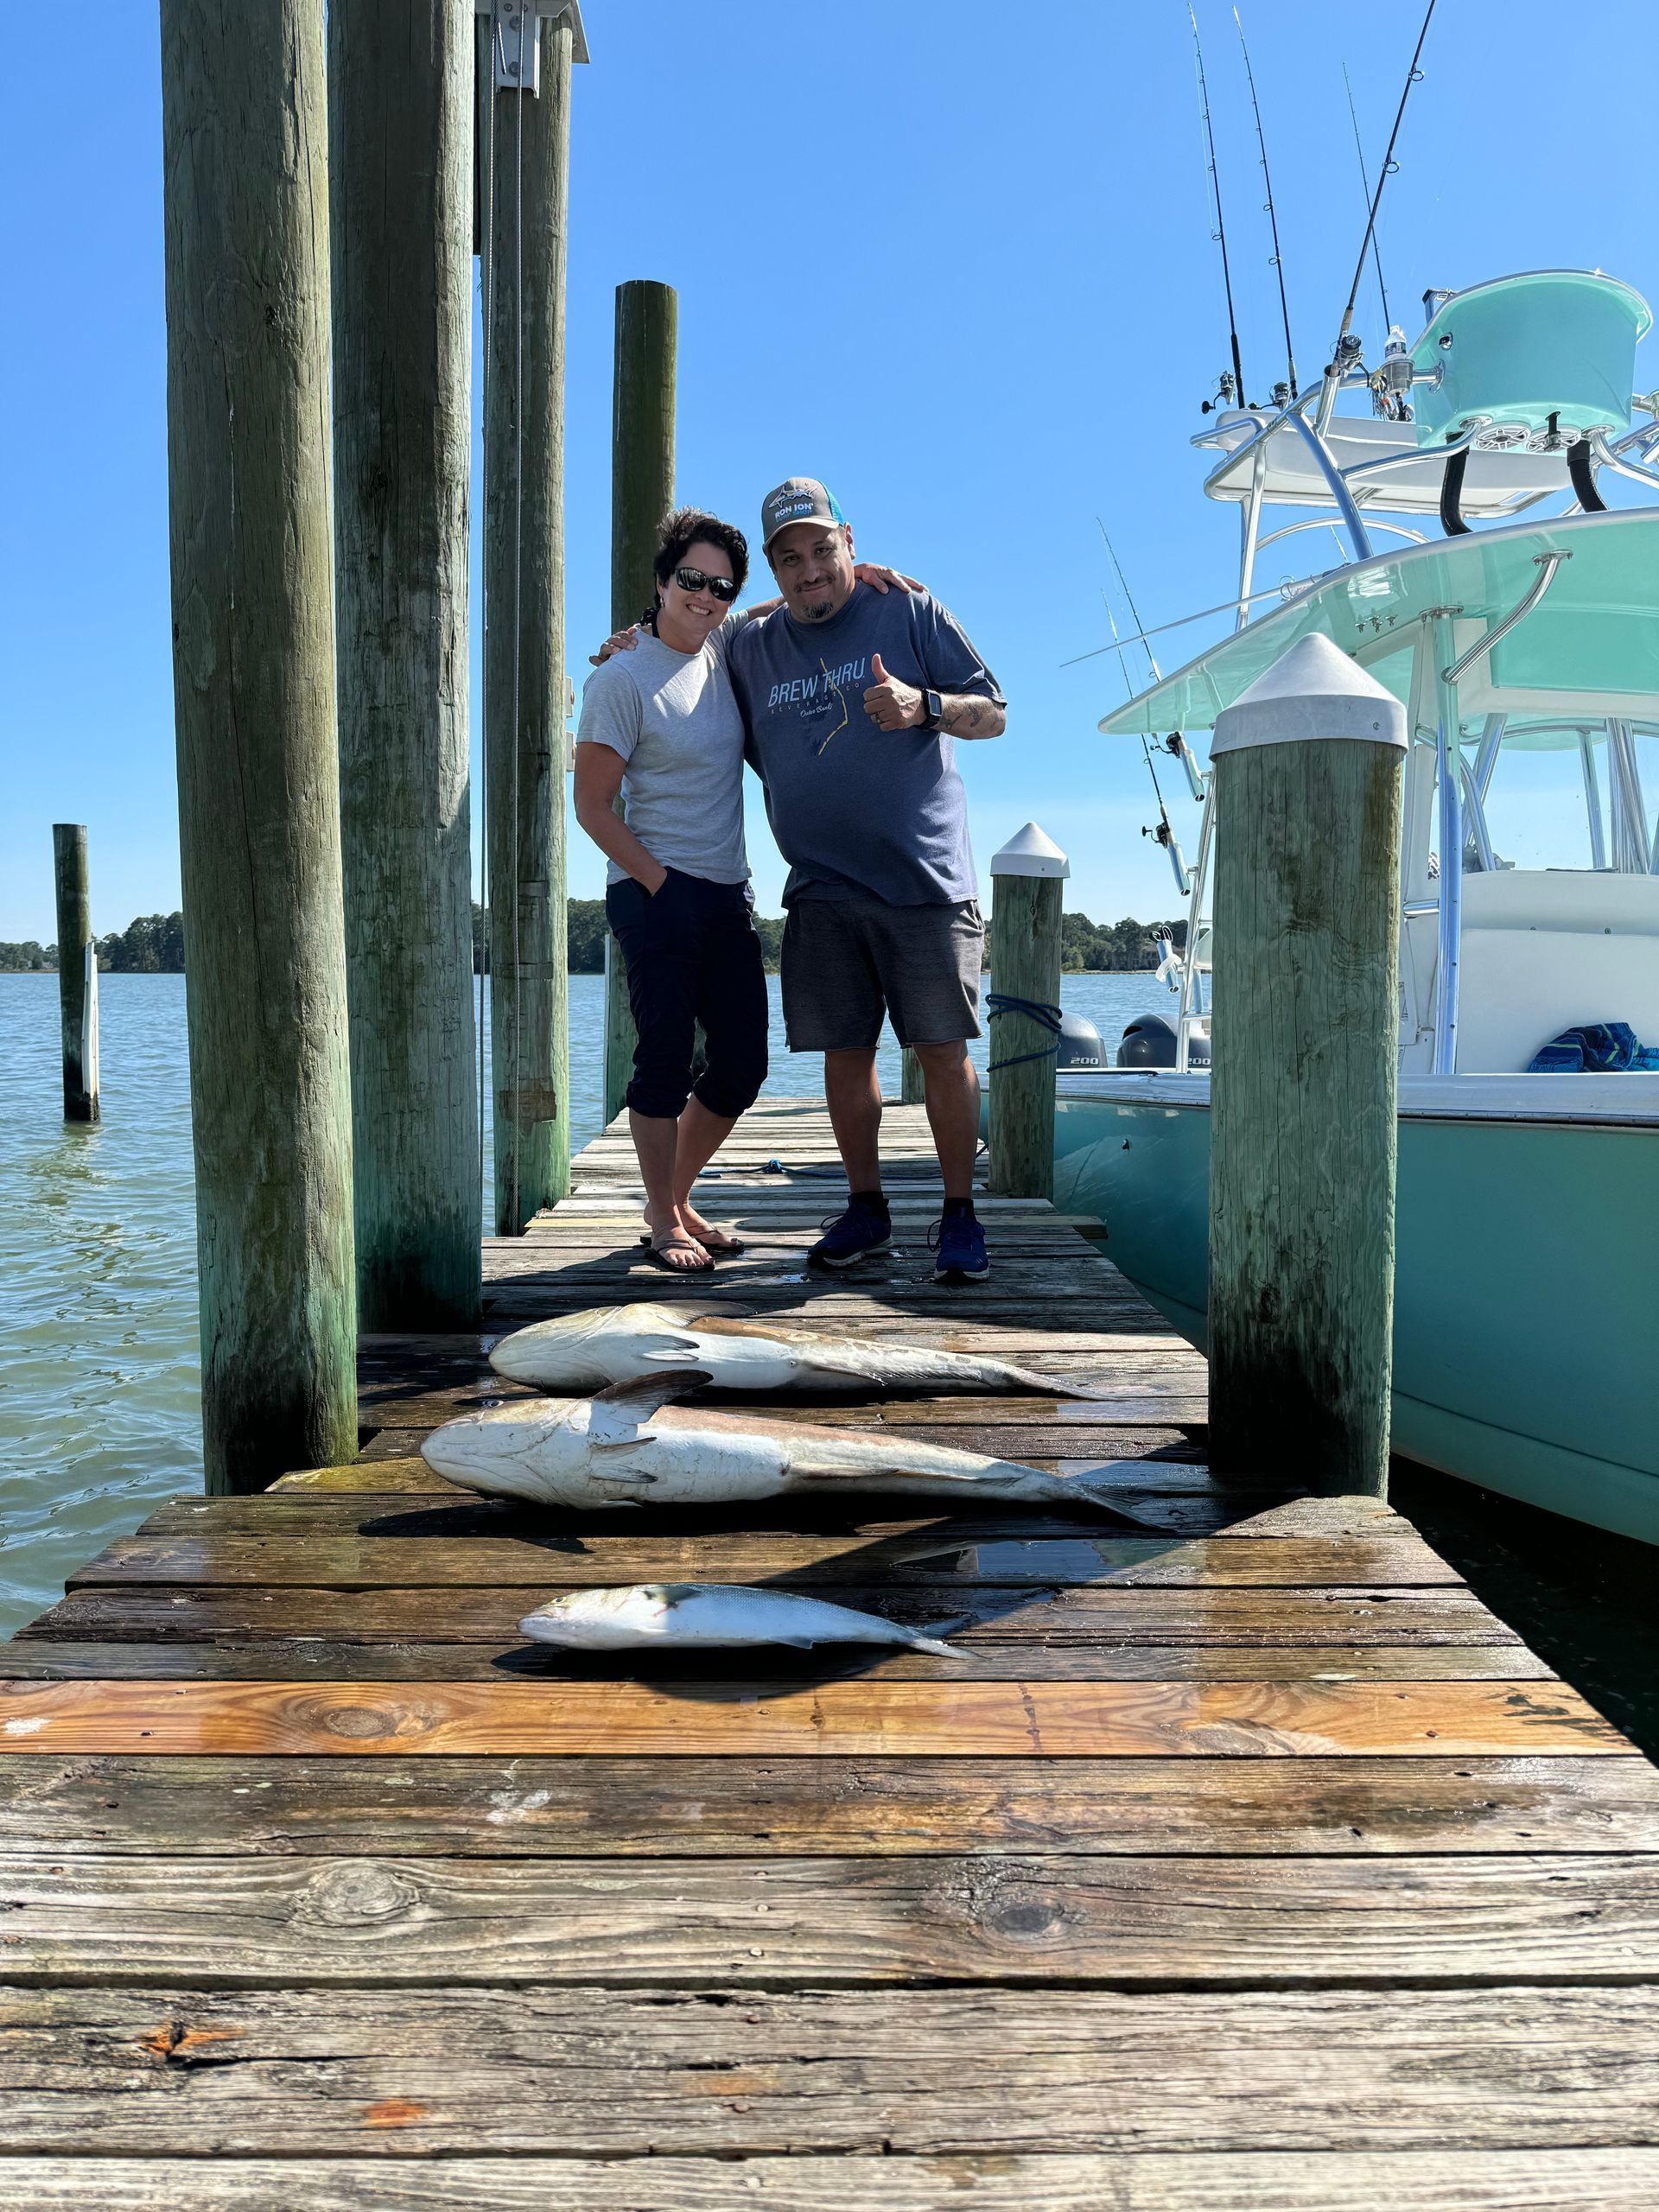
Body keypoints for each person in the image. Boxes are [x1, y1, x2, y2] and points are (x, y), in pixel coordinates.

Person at [575, 506, 921, 1270]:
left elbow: (782, 604)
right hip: (654, 889)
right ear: (662, 582)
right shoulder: (620, 676)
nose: (706, 596)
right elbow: (591, 809)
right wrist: (661, 883)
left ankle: (674, 1197)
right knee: (665, 1057)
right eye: (691, 580)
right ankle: (665, 1221)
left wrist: (858, 575)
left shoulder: (723, 645)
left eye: (721, 587)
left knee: (742, 1064)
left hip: (728, 891)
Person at [729, 479, 1005, 1283]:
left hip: (924, 882)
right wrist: (628, 639)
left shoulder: (909, 611)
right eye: (790, 559)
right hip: (819, 888)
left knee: (942, 1054)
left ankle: (960, 1215)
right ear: (773, 572)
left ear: (850, 541)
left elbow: (995, 712)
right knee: (844, 1057)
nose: (810, 569)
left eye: (823, 549)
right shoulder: (750, 646)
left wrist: (923, 706)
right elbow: (690, 627)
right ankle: (866, 1207)